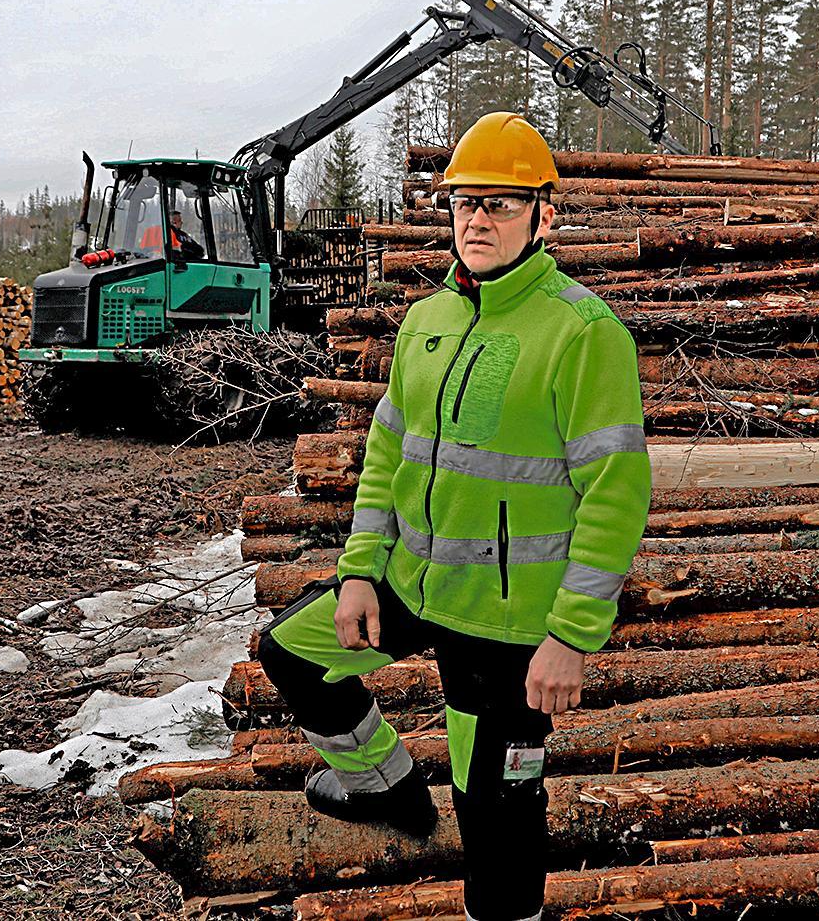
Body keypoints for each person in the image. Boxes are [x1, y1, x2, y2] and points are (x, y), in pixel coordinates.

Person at [258, 112, 651, 921]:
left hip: (508, 627)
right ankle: (387, 786)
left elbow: (616, 492)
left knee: (496, 814)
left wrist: (572, 634)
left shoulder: (583, 333)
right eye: (466, 200)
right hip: (412, 582)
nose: (477, 217)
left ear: (545, 213)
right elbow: (386, 455)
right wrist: (361, 569)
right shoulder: (427, 322)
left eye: (501, 204)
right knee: (294, 655)